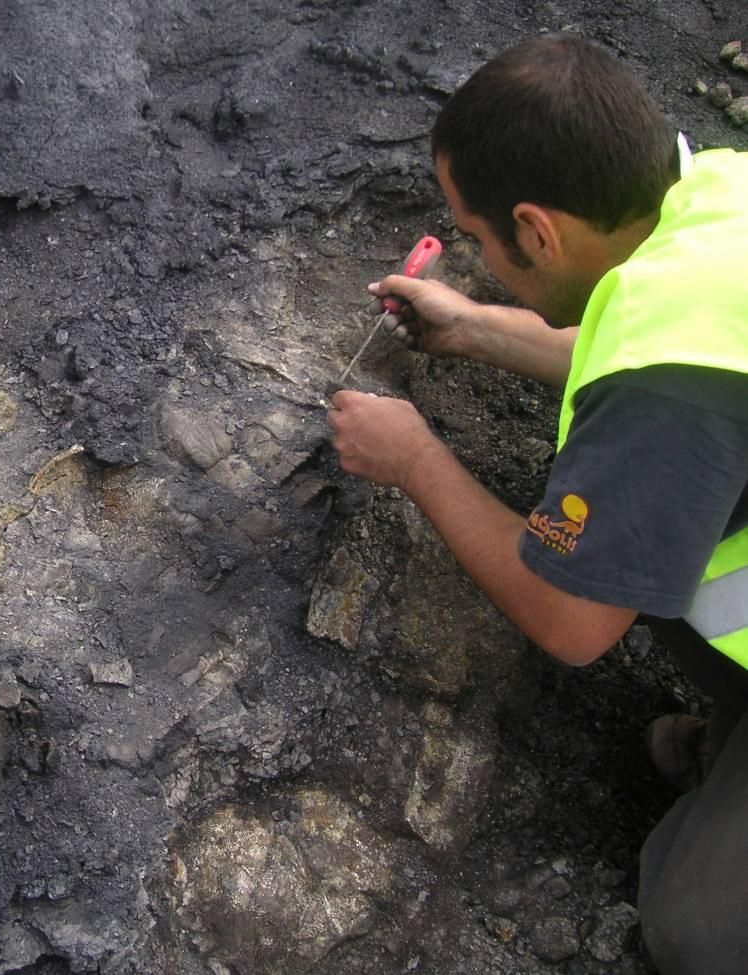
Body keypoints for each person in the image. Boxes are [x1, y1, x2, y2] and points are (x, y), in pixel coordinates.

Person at [327, 34, 748, 975]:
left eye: (476, 240)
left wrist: (417, 460)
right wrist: (475, 326)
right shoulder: (716, 197)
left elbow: (574, 621)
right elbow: (643, 357)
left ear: (539, 230)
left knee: (697, 930)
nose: (474, 255)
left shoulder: (670, 371)